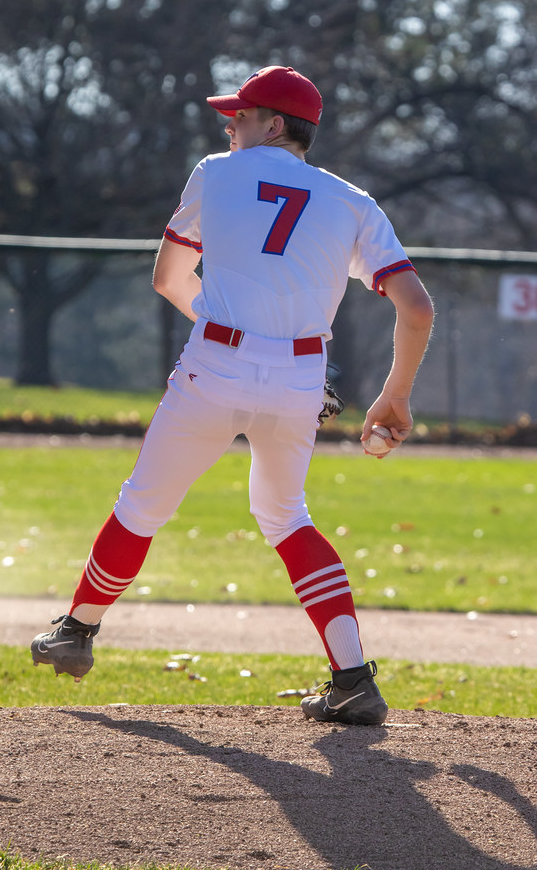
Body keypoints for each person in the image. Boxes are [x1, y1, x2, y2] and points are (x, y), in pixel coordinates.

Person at [31, 65, 434, 726]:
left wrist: (233, 337)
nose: (228, 124)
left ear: (272, 125)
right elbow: (415, 309)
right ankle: (353, 679)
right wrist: (393, 396)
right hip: (301, 376)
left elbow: (168, 278)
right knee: (284, 516)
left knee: (143, 504)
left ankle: (76, 631)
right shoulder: (354, 203)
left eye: (239, 115)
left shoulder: (215, 172)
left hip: (214, 361)